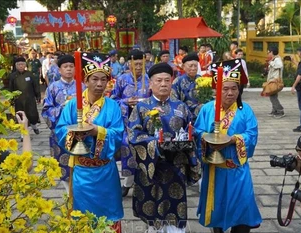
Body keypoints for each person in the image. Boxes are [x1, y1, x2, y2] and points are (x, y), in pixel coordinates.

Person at [55, 52, 124, 231]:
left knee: (108, 217)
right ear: (86, 80)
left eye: (104, 79)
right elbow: (60, 130)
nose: (100, 84)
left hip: (106, 171)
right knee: (82, 218)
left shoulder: (113, 106)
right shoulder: (72, 105)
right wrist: (75, 134)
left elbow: (118, 135)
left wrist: (97, 131)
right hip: (82, 171)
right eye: (95, 79)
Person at [194, 59, 262, 233]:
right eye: (225, 88)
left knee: (242, 209)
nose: (230, 93)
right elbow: (198, 131)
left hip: (237, 169)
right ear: (217, 90)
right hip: (215, 170)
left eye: (234, 88)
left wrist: (233, 140)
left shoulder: (245, 110)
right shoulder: (208, 109)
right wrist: (207, 139)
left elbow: (252, 134)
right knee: (217, 211)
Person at [128, 63, 196, 233]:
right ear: (150, 83)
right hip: (151, 167)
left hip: (175, 167)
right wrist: (154, 144)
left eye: (167, 80)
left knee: (174, 211)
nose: (163, 84)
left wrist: (189, 141)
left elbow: (191, 130)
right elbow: (133, 135)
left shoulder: (181, 106)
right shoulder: (141, 107)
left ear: (172, 82)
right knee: (152, 212)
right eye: (159, 80)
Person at [42, 55, 86, 191]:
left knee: (81, 164)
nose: (68, 69)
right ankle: (69, 194)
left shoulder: (83, 86)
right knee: (64, 165)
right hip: (61, 132)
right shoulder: (53, 88)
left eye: (71, 67)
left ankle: (80, 192)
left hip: (81, 132)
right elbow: (46, 110)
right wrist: (63, 107)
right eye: (65, 67)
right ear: (59, 70)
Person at [110, 49, 151, 197]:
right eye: (136, 64)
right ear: (129, 63)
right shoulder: (122, 79)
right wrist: (126, 101)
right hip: (127, 121)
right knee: (127, 146)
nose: (139, 67)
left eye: (141, 64)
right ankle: (127, 182)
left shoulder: (149, 79)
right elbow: (113, 99)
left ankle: (145, 181)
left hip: (146, 121)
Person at [9, 57, 41, 135]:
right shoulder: (13, 76)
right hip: (18, 100)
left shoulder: (29, 74)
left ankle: (34, 127)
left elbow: (35, 86)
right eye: (19, 64)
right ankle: (22, 134)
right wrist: (11, 100)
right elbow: (10, 89)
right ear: (16, 66)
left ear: (25, 65)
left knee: (32, 115)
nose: (21, 66)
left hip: (30, 98)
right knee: (20, 116)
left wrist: (38, 96)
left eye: (22, 64)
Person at [171, 53, 202, 122]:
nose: (193, 68)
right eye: (190, 66)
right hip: (184, 115)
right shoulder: (177, 81)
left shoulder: (202, 79)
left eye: (195, 66)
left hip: (201, 115)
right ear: (184, 67)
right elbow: (173, 101)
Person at [267, 46, 285, 118]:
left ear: (272, 52)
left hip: (275, 80)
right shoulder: (274, 59)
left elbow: (279, 65)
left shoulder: (277, 59)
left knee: (272, 96)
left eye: (269, 52)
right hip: (272, 80)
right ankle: (274, 110)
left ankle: (280, 110)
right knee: (273, 96)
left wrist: (271, 62)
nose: (268, 53)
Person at [291, 46, 301, 132]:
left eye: (298, 52)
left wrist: (294, 86)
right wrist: (293, 61)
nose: (298, 53)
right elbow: (299, 67)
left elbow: (300, 75)